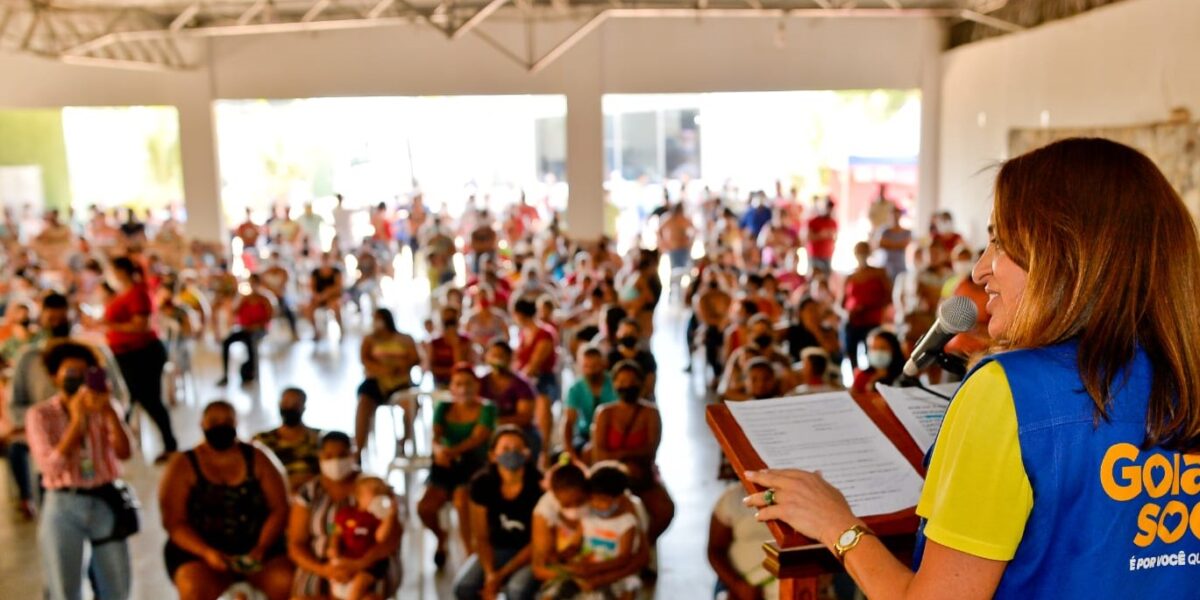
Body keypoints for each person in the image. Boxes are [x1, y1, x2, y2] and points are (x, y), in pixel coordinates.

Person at [743, 138, 1200, 597]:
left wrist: (836, 523)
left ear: (1065, 255)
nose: (981, 270)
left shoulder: (1009, 393)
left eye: (1001, 242)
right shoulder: (1187, 376)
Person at [25, 342, 134, 600]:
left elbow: (125, 452)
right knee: (64, 587)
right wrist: (77, 422)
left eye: (84, 373)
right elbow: (49, 466)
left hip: (105, 499)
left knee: (117, 586)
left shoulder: (105, 409)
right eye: (70, 373)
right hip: (63, 504)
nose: (77, 380)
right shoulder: (40, 415)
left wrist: (109, 413)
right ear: (55, 376)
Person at [159, 401, 293, 600]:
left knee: (285, 582)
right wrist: (206, 552)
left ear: (236, 424)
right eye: (214, 421)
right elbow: (174, 522)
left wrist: (261, 547)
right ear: (202, 424)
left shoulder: (258, 457)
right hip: (200, 551)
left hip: (259, 548)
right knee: (193, 587)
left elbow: (280, 507)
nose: (221, 426)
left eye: (227, 421)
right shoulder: (182, 464)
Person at [289, 431, 403, 599]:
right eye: (328, 456)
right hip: (321, 566)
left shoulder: (375, 487)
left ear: (353, 453)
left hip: (370, 564)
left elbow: (392, 539)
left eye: (342, 455)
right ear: (319, 457)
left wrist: (359, 564)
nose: (336, 461)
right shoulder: (309, 492)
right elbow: (296, 543)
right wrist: (326, 569)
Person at [418, 364, 497, 568]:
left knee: (462, 500)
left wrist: (450, 451)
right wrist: (438, 450)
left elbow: (478, 438)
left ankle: (469, 555)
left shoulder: (487, 409)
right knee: (425, 508)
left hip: (474, 465)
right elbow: (435, 436)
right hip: (446, 464)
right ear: (451, 387)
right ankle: (440, 537)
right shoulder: (443, 407)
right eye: (458, 384)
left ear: (476, 386)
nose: (463, 389)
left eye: (468, 383)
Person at [454, 426, 542, 600]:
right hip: (496, 550)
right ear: (493, 455)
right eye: (505, 448)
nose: (512, 453)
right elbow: (480, 536)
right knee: (464, 588)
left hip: (529, 553)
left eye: (518, 448)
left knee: (516, 591)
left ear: (527, 454)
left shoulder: (538, 486)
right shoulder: (482, 484)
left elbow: (537, 542)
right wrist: (490, 574)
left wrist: (500, 575)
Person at [591, 361, 674, 544]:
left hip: (642, 474)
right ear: (614, 384)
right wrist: (627, 457)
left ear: (641, 384)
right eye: (621, 381)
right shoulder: (604, 413)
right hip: (609, 474)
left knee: (665, 510)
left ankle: (644, 544)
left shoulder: (650, 413)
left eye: (631, 381)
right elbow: (600, 454)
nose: (626, 385)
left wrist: (620, 455)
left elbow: (651, 450)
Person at [104, 255, 177, 462]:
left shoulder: (138, 292)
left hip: (142, 352)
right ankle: (129, 440)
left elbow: (141, 325)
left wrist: (110, 326)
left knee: (149, 399)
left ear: (121, 271)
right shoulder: (124, 292)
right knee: (137, 396)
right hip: (127, 353)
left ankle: (169, 444)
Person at [354, 308, 420, 459]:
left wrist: (401, 367)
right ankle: (358, 450)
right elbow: (364, 360)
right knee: (363, 403)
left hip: (401, 383)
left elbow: (415, 358)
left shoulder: (404, 339)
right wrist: (382, 369)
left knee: (411, 406)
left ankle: (404, 442)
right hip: (377, 382)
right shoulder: (369, 340)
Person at [327, 476, 399, 600]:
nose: (379, 495)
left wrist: (390, 517)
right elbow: (333, 530)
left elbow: (381, 537)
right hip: (347, 558)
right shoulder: (344, 513)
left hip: (371, 565)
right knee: (336, 582)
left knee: (359, 585)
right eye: (375, 491)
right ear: (358, 496)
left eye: (382, 492)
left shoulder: (377, 518)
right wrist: (333, 546)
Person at [512, 297, 558, 466]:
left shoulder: (545, 333)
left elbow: (535, 363)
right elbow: (518, 361)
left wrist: (520, 381)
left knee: (542, 405)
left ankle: (544, 452)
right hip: (525, 380)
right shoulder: (522, 333)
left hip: (543, 379)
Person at [254, 387, 323, 491]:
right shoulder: (261, 441)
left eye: (295, 404)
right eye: (286, 403)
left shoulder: (320, 438)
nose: (290, 407)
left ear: (304, 407)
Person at [479, 341, 539, 457]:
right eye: (493, 355)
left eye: (501, 355)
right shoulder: (479, 382)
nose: (497, 359)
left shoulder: (522, 385)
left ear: (510, 358)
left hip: (519, 430)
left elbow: (525, 417)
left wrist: (496, 423)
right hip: (485, 430)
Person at [840, 242, 891, 371]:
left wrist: (867, 306)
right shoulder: (850, 277)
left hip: (872, 321)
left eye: (864, 251)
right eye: (858, 252)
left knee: (874, 355)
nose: (861, 255)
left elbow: (888, 297)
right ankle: (856, 381)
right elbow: (841, 303)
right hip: (853, 322)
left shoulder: (879, 273)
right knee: (851, 354)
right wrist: (849, 312)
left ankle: (873, 382)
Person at [562, 345, 617, 464]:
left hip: (613, 433)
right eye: (586, 366)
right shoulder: (575, 388)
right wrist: (569, 451)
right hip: (584, 435)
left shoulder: (614, 383)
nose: (591, 370)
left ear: (603, 364)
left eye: (595, 366)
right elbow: (569, 422)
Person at [218, 273, 275, 386]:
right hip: (245, 329)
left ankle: (252, 373)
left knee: (251, 340)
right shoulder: (245, 298)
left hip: (260, 329)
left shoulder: (264, 298)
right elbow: (234, 312)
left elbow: (269, 317)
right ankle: (225, 375)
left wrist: (256, 326)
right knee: (226, 341)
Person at [606, 318, 657, 400]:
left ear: (638, 334)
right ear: (618, 333)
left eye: (631, 333)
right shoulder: (611, 357)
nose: (628, 336)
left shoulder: (647, 357)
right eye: (625, 333)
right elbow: (607, 382)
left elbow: (650, 384)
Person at [426, 306, 475, 387]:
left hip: (462, 384)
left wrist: (456, 346)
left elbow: (464, 367)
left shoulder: (466, 341)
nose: (449, 326)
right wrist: (450, 371)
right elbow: (431, 368)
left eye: (452, 321)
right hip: (440, 383)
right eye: (446, 322)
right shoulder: (434, 342)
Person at [850, 328, 904, 394]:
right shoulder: (862, 376)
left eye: (883, 348)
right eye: (873, 348)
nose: (878, 352)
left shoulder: (904, 376)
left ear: (894, 350)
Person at [306, 251, 344, 341]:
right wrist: (317, 296)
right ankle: (316, 332)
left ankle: (341, 330)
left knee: (336, 306)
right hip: (319, 298)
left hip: (332, 298)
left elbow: (338, 287)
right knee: (308, 309)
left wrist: (326, 294)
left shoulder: (336, 271)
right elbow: (311, 287)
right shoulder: (315, 272)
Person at [805, 197, 837, 274]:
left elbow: (835, 238)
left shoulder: (833, 223)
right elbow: (808, 237)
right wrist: (821, 235)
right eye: (828, 207)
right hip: (815, 255)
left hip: (828, 255)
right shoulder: (813, 222)